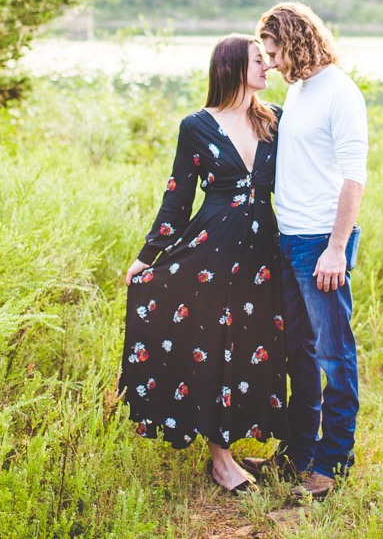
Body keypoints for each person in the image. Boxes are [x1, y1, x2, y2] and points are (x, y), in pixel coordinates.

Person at [120, 34, 288, 495]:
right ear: (233, 66)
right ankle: (221, 460)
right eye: (258, 60)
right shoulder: (197, 125)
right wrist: (147, 257)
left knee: (253, 344)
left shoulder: (276, 119)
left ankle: (265, 444)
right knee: (214, 347)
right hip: (210, 252)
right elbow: (178, 196)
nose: (267, 67)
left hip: (262, 254)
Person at [248, 2, 368, 500]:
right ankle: (298, 453)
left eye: (274, 52)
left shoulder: (340, 91)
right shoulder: (298, 89)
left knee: (335, 357)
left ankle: (333, 462)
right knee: (297, 353)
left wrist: (336, 248)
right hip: (289, 238)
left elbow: (353, 175)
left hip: (321, 244)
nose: (269, 63)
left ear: (295, 42)